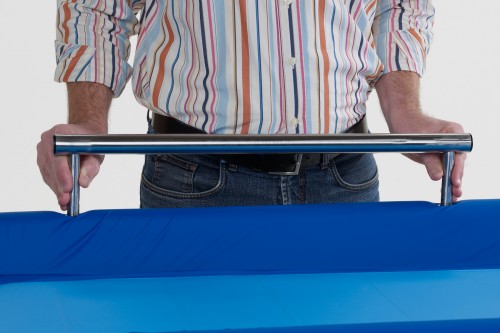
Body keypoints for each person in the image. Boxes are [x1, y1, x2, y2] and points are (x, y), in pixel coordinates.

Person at [38, 0, 465, 210]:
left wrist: (405, 113)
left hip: (343, 177)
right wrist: (87, 122)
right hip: (196, 181)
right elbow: (95, 11)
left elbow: (401, 8)